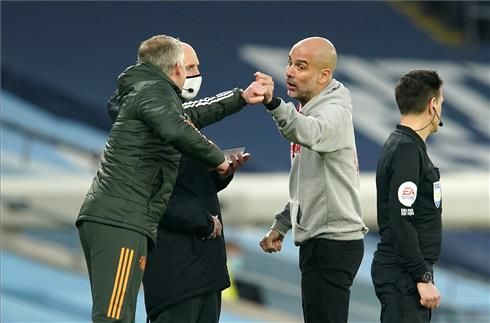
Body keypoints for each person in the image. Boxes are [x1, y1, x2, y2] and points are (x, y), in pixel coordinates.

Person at [76, 35, 265, 322]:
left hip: (130, 219)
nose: (194, 74)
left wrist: (239, 98)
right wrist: (217, 159)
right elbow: (179, 129)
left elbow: (191, 116)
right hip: (123, 219)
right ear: (176, 67)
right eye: (190, 67)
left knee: (117, 316)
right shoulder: (152, 91)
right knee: (113, 317)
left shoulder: (151, 95)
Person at [256, 37, 368, 323]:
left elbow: (309, 132)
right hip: (323, 240)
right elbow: (306, 182)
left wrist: (273, 103)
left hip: (332, 242)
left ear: (324, 75)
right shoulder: (312, 107)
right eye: (290, 63)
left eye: (301, 66)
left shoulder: (333, 113)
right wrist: (282, 224)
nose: (289, 72)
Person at [141, 42, 251, 323]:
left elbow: (189, 182)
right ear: (170, 70)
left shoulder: (183, 121)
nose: (197, 74)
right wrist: (203, 221)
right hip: (176, 271)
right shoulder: (151, 123)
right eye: (190, 68)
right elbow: (152, 195)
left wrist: (220, 174)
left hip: (205, 270)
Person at [371, 70, 444, 323]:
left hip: (404, 272)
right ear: (432, 105)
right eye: (441, 104)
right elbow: (402, 219)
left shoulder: (402, 144)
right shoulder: (406, 150)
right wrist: (421, 277)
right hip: (404, 275)